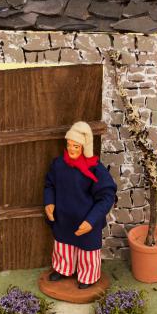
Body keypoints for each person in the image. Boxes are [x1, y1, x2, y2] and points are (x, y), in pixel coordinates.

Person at [44, 122, 116, 289]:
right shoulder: (59, 164)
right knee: (62, 246)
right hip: (63, 217)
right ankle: (63, 269)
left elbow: (107, 196)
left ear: (84, 147)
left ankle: (88, 276)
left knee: (87, 250)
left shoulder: (95, 170)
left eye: (76, 146)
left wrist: (91, 220)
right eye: (69, 145)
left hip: (86, 219)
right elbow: (49, 185)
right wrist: (49, 202)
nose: (71, 149)